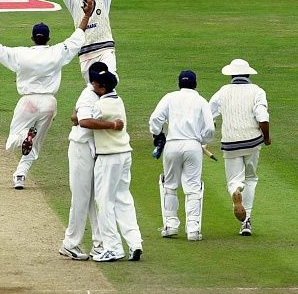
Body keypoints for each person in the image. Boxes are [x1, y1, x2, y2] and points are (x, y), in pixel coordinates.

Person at [0, 0, 95, 189]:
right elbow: (78, 35)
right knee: (35, 146)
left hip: (28, 102)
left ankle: (25, 135)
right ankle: (20, 175)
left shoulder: (21, 54)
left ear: (32, 37)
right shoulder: (58, 52)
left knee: (11, 142)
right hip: (50, 104)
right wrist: (86, 15)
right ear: (48, 38)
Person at [80, 69, 142, 262]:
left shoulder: (101, 105)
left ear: (103, 87)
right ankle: (135, 243)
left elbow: (83, 121)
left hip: (109, 157)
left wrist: (109, 125)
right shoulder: (119, 99)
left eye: (95, 84)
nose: (93, 86)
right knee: (124, 199)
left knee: (104, 202)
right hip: (124, 154)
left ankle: (113, 248)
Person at [149, 70, 215, 241]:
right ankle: (193, 230)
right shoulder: (201, 101)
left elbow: (155, 119)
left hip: (172, 144)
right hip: (193, 145)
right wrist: (201, 139)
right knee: (193, 187)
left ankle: (171, 226)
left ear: (179, 84)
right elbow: (210, 129)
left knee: (170, 185)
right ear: (195, 84)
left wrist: (157, 135)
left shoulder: (170, 97)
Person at [209, 59, 270, 236]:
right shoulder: (257, 91)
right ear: (248, 74)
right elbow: (262, 117)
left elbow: (208, 114)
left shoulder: (222, 92)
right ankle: (246, 221)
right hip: (252, 142)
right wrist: (266, 138)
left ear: (231, 75)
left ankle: (236, 190)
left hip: (230, 142)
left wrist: (205, 137)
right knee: (250, 179)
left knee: (234, 180)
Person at [58, 62, 108, 261]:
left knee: (94, 197)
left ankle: (99, 243)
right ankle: (70, 243)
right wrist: (112, 125)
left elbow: (73, 115)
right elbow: (81, 120)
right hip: (80, 148)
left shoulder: (101, 91)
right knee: (80, 197)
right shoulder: (88, 94)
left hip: (91, 149)